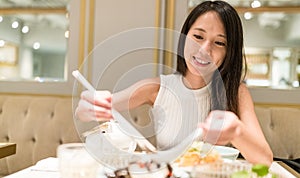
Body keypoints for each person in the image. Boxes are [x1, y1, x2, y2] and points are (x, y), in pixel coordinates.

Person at [75, 1, 273, 166]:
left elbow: (264, 160)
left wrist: (237, 131)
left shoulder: (236, 93)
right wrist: (88, 106)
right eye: (198, 36)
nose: (204, 49)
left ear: (230, 52)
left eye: (219, 43)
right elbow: (86, 111)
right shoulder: (157, 88)